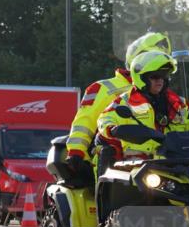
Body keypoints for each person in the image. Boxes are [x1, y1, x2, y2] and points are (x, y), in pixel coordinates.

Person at [65, 32, 173, 177]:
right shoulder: (103, 88)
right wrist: (76, 152)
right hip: (115, 161)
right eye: (152, 57)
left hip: (161, 162)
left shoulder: (162, 93)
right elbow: (84, 122)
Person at [97, 50, 189, 161]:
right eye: (155, 76)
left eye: (164, 76)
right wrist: (112, 129)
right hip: (139, 165)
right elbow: (104, 119)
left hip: (177, 160)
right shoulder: (125, 101)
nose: (160, 80)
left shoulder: (178, 102)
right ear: (141, 78)